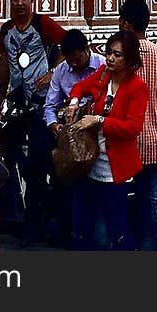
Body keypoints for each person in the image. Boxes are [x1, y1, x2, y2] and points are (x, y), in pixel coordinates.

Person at [0, 0, 66, 244]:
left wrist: (52, 74)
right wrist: (0, 96)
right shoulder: (7, 29)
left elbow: (68, 46)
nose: (20, 3)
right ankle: (12, 213)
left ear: (32, 0)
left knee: (38, 161)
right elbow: (4, 62)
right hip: (16, 104)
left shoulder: (42, 24)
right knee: (3, 152)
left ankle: (36, 222)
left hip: (41, 105)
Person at [67, 29, 148, 250]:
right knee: (89, 227)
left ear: (129, 59)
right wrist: (74, 102)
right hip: (93, 164)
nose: (111, 58)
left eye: (118, 54)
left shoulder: (137, 87)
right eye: (109, 52)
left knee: (114, 229)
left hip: (116, 170)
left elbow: (133, 127)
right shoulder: (103, 74)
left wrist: (100, 120)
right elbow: (80, 87)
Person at [119, 0, 157, 249]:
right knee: (149, 201)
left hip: (124, 145)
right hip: (154, 144)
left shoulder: (119, 58)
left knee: (120, 202)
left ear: (127, 25)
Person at [43, 29, 105, 248]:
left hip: (99, 140)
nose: (75, 65)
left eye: (78, 59)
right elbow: (50, 105)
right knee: (69, 189)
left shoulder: (103, 67)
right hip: (71, 142)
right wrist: (53, 124)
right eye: (70, 61)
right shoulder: (62, 71)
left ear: (86, 50)